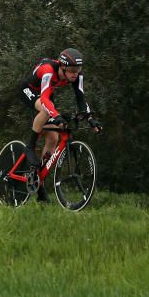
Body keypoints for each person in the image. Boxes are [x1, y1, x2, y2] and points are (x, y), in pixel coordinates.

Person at [19, 48, 102, 201]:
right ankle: (30, 147)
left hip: (46, 95)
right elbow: (44, 98)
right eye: (71, 70)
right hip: (29, 91)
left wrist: (90, 119)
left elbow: (81, 99)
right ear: (62, 67)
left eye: (78, 70)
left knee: (53, 138)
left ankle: (39, 182)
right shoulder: (49, 70)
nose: (75, 73)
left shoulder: (77, 76)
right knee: (46, 110)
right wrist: (56, 116)